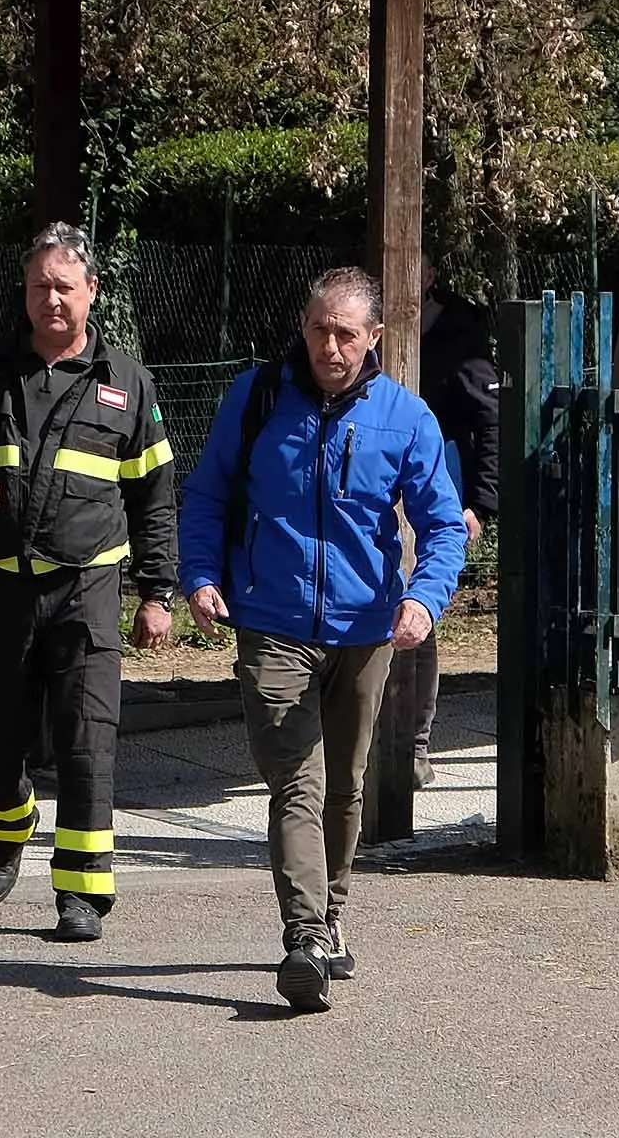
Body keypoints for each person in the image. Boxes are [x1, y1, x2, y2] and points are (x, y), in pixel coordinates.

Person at [179, 265, 467, 1014]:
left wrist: (423, 599)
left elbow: (441, 524)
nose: (329, 346)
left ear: (373, 337)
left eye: (345, 333)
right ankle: (304, 936)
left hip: (365, 628)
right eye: (318, 329)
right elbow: (208, 492)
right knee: (296, 785)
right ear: (302, 328)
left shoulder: (404, 417)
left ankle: (333, 914)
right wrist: (200, 574)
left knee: (344, 787)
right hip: (270, 624)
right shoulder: (256, 397)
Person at [0, 225, 180, 943]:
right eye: (40, 285)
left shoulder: (126, 383)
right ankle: (8, 825)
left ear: (92, 291)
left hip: (87, 589)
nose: (51, 300)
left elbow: (154, 495)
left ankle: (82, 895)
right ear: (25, 291)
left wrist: (157, 593)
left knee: (86, 740)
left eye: (65, 286)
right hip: (0, 590)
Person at [379, 272, 501, 801]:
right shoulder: (359, 334)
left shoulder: (460, 336)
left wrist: (480, 503)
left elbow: (490, 417)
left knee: (417, 612)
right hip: (375, 489)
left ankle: (415, 743)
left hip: (432, 490)